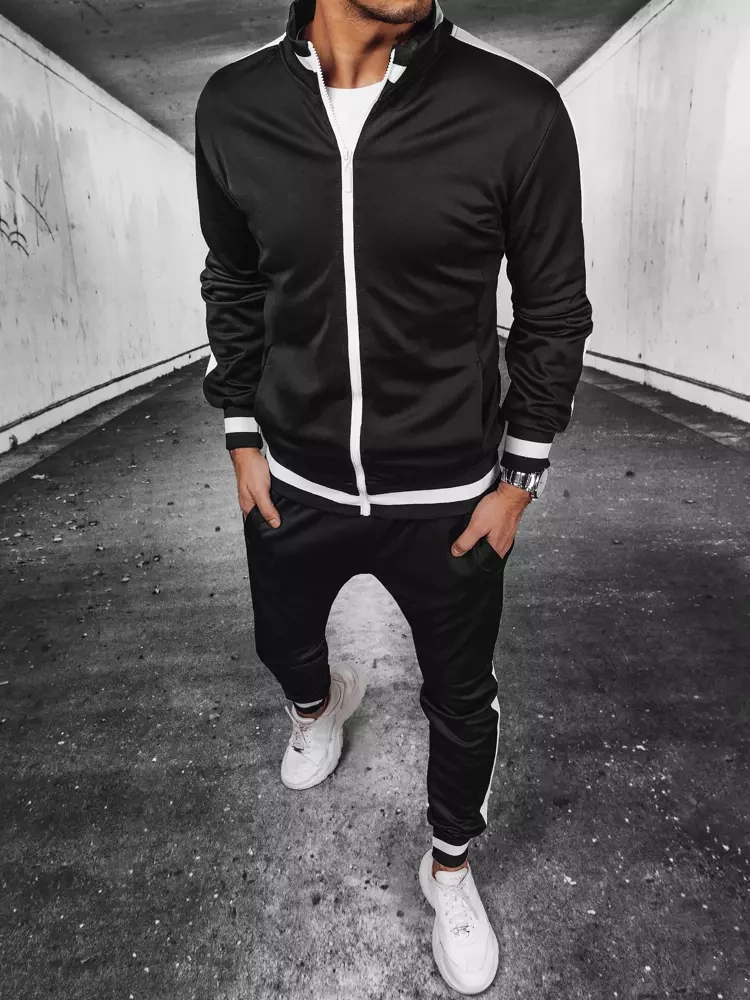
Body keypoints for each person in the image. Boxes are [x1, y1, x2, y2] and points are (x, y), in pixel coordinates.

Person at [195, 0, 592, 991]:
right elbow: (234, 280)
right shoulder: (235, 107)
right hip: (294, 479)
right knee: (282, 642)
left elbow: (552, 306)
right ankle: (320, 703)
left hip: (452, 495)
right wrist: (241, 432)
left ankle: (449, 867)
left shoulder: (516, 110)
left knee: (461, 699)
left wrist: (520, 476)